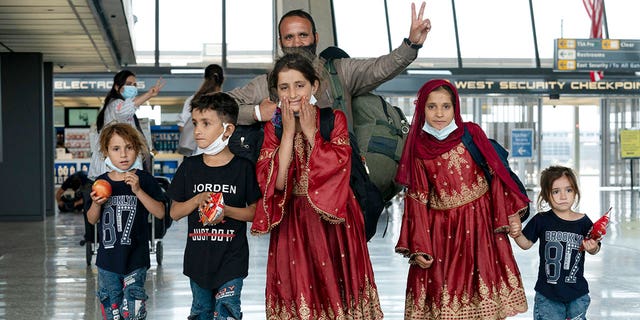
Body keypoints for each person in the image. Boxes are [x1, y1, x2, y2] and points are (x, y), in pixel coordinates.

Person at [251, 53, 383, 319]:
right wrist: (288, 133)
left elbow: (336, 169)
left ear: (314, 86)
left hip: (336, 221)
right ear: (276, 92)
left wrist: (311, 132)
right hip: (295, 223)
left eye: (300, 85)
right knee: (300, 293)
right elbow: (274, 182)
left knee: (338, 291)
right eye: (284, 87)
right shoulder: (273, 129)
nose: (292, 93)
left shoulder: (334, 120)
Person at [394, 79, 529, 319]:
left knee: (483, 296)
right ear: (421, 109)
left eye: (446, 106)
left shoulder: (471, 133)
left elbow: (497, 174)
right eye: (431, 106)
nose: (439, 113)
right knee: (445, 297)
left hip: (481, 228)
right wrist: (419, 245)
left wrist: (511, 213)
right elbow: (417, 199)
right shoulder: (418, 147)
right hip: (441, 234)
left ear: (455, 107)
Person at [228, 2, 431, 126]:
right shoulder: (266, 83)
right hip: (287, 184)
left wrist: (411, 44)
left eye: (303, 35)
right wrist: (255, 113)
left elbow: (381, 67)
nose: (296, 43)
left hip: (338, 182)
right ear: (281, 42)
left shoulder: (340, 71)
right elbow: (218, 107)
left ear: (316, 37)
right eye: (289, 37)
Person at [168, 92, 261, 319]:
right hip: (198, 261)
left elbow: (256, 213)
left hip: (232, 259)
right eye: (195, 123)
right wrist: (197, 200)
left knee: (227, 311)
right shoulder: (189, 168)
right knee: (201, 312)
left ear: (228, 130)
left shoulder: (243, 168)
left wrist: (226, 211)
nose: (197, 130)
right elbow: (175, 212)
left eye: (206, 124)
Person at [86, 123, 166, 320]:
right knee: (113, 311)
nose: (123, 154)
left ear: (137, 150)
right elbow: (91, 219)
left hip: (135, 260)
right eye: (116, 149)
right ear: (106, 152)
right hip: (107, 262)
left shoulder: (144, 180)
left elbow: (160, 213)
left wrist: (138, 191)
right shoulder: (100, 182)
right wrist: (97, 204)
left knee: (133, 311)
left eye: (129, 148)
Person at [510, 166, 601, 320]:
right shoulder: (541, 219)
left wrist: (593, 248)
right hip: (548, 294)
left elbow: (596, 246)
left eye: (569, 190)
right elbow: (526, 244)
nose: (563, 196)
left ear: (576, 192)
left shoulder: (584, 222)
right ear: (546, 195)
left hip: (577, 293)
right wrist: (517, 234)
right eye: (556, 191)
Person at [88, 69, 165, 179]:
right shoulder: (115, 104)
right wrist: (149, 94)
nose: (133, 87)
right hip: (114, 167)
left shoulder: (112, 106)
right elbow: (125, 109)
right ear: (117, 87)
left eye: (135, 85)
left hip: (118, 166)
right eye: (129, 84)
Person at [177, 64, 224, 156]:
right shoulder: (227, 101)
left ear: (205, 78)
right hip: (221, 153)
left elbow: (182, 127)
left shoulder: (192, 100)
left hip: (197, 153)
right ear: (222, 79)